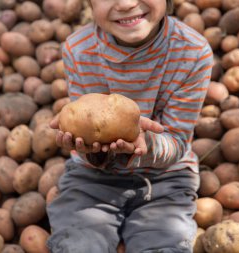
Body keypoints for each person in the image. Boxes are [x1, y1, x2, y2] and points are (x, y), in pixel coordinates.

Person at [47, 0, 213, 252]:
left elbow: (177, 141)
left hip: (165, 177)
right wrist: (86, 147)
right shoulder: (78, 50)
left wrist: (145, 144)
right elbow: (87, 126)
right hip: (93, 176)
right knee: (77, 243)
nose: (126, 3)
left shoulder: (193, 52)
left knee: (165, 244)